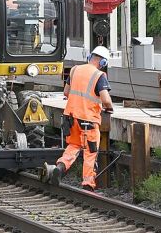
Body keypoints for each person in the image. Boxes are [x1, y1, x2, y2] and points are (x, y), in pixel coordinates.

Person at [48, 45, 113, 191]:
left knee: (74, 145)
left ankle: (61, 166)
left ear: (90, 57)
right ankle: (88, 184)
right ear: (103, 63)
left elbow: (66, 92)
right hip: (89, 120)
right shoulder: (99, 76)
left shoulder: (75, 69)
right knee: (90, 152)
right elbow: (106, 99)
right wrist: (109, 108)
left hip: (70, 118)